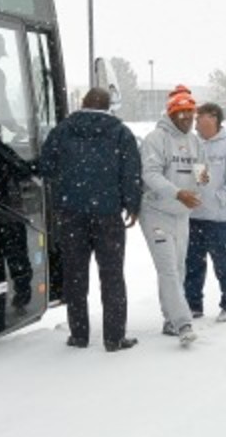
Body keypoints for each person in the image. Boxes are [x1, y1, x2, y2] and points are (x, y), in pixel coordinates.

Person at [39, 87, 141, 352]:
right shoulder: (121, 133)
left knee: (75, 275)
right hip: (108, 215)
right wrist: (132, 204)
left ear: (82, 103)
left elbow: (46, 166)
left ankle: (79, 335)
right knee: (112, 276)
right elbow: (131, 172)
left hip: (71, 215)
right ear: (109, 107)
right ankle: (114, 338)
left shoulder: (62, 130)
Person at [140, 85, 206, 346]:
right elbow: (150, 174)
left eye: (191, 113)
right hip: (157, 213)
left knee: (178, 269)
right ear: (171, 115)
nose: (188, 118)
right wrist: (178, 192)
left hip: (182, 215)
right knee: (167, 268)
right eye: (182, 113)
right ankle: (183, 323)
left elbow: (201, 168)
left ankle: (170, 318)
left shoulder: (194, 141)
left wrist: (202, 178)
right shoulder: (156, 139)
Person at [185, 102, 226, 322]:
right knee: (191, 265)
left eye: (200, 117)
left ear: (214, 118)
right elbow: (199, 179)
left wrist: (218, 201)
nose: (196, 122)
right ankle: (193, 305)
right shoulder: (192, 145)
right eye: (196, 118)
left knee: (225, 265)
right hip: (193, 218)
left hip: (221, 221)